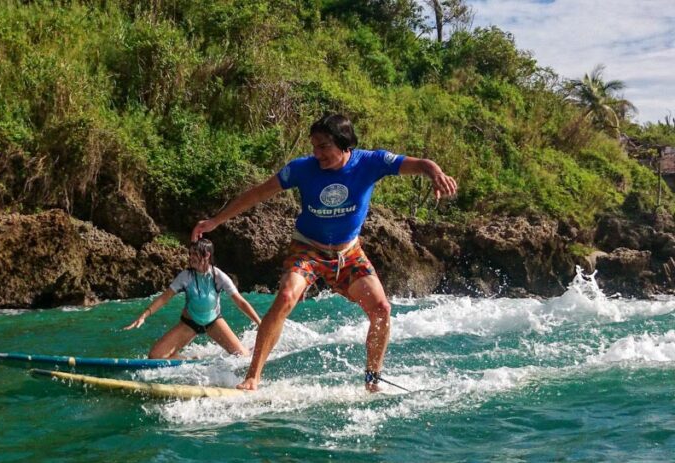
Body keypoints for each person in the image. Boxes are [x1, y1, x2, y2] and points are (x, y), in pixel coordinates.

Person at [191, 113, 458, 391]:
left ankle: (372, 379)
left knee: (381, 309)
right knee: (285, 296)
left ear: (344, 144)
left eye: (323, 146)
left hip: (348, 253)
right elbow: (258, 193)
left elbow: (420, 164)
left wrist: (435, 173)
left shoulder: (370, 162)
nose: (317, 153)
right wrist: (215, 221)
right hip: (308, 248)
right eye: (314, 146)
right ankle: (253, 377)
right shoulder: (302, 169)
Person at [124, 238, 262, 359]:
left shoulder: (218, 276)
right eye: (190, 254)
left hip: (213, 322)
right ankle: (189, 361)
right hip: (189, 323)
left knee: (242, 357)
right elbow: (165, 298)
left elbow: (240, 302)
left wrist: (259, 323)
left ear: (207, 255)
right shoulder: (186, 276)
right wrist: (144, 315)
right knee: (155, 356)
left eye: (194, 254)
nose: (190, 257)